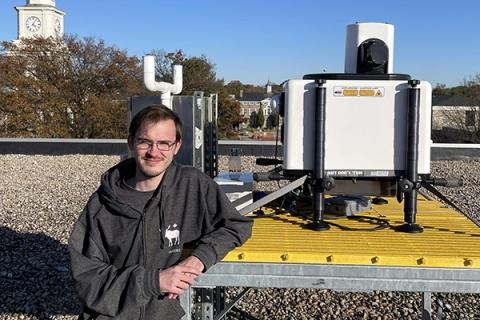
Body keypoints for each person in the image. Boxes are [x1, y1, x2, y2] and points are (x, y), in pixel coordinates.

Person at [68, 104, 253, 319]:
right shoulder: (102, 204)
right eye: (145, 142)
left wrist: (199, 258)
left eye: (164, 143)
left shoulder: (192, 185)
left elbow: (235, 226)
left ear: (176, 147)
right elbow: (87, 279)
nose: (154, 152)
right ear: (131, 142)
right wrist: (154, 282)